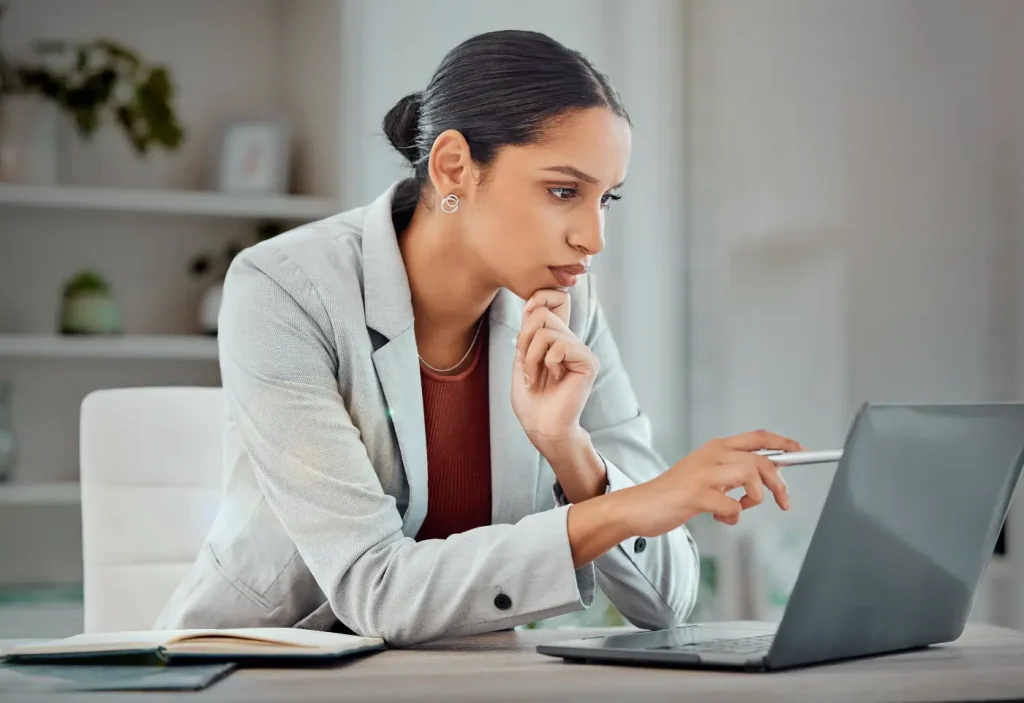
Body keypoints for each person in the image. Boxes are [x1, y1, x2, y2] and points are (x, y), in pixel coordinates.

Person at [155, 29, 800, 646]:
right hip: (261, 670)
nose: (593, 237)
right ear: (455, 166)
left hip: (470, 676)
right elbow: (373, 589)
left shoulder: (570, 306)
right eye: (563, 190)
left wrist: (570, 451)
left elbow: (666, 604)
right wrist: (627, 508)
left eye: (607, 200)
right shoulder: (285, 287)